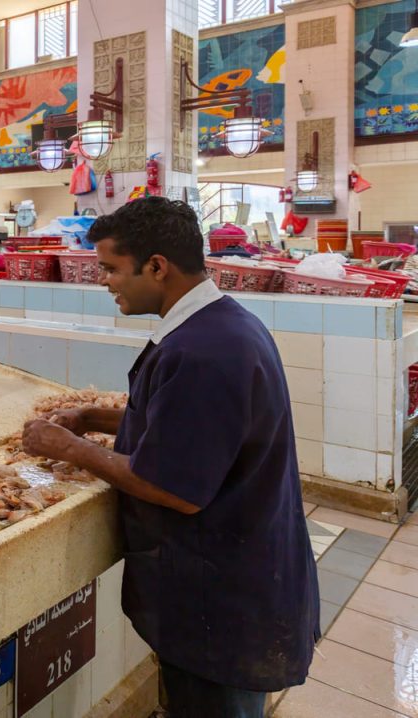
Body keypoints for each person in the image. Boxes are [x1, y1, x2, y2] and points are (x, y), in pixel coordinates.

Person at [22, 197, 318, 718]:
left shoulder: (202, 351)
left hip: (221, 600)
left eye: (111, 269)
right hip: (235, 579)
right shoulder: (222, 326)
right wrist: (93, 416)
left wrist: (69, 448)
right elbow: (187, 427)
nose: (104, 282)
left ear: (157, 266)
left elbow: (173, 487)